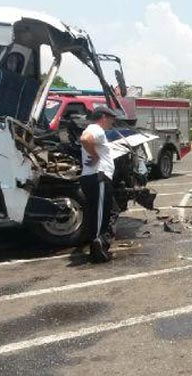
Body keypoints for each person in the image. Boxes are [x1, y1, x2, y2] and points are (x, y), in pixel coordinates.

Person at [79, 106, 120, 263]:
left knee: (112, 210)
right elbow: (85, 139)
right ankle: (98, 245)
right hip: (98, 177)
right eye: (111, 118)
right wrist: (95, 155)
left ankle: (101, 244)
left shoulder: (95, 130)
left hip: (94, 177)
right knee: (100, 215)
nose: (112, 121)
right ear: (103, 116)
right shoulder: (95, 128)